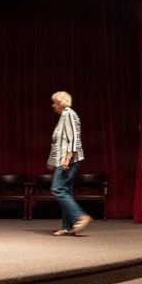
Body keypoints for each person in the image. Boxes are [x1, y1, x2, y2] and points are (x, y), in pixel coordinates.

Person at [47, 91, 92, 236]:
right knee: (65, 191)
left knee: (57, 189)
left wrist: (68, 158)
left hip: (68, 160)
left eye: (55, 102)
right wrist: (52, 161)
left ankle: (81, 216)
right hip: (62, 160)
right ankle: (68, 226)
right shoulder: (63, 117)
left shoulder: (69, 114)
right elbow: (58, 143)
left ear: (61, 103)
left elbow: (74, 138)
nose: (53, 105)